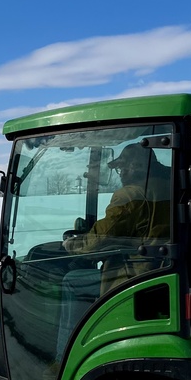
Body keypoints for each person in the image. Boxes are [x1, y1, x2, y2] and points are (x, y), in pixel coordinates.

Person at [54, 143, 169, 358]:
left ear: (138, 166)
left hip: (132, 275)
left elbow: (100, 239)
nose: (122, 172)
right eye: (119, 168)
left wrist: (72, 245)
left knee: (72, 280)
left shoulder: (130, 195)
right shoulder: (170, 185)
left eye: (125, 167)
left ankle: (63, 358)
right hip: (160, 268)